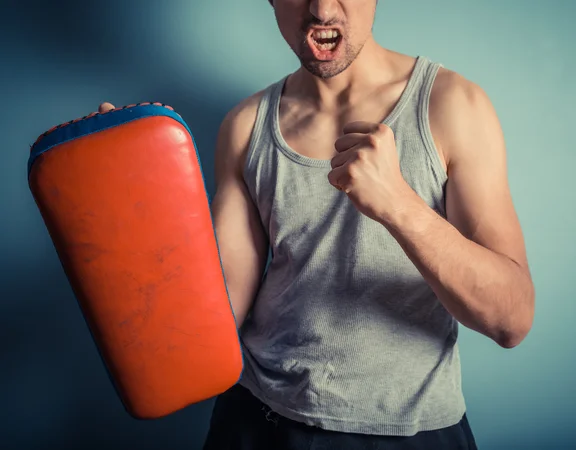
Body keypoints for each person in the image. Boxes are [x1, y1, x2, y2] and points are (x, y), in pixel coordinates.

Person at [100, 1, 535, 448]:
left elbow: (511, 319)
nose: (322, 7)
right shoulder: (246, 125)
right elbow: (217, 315)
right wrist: (134, 207)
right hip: (258, 421)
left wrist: (399, 204)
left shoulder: (452, 105)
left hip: (406, 432)